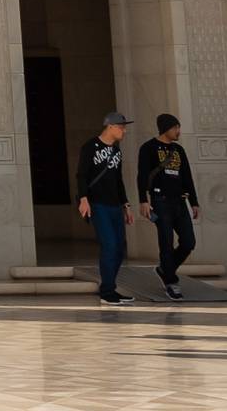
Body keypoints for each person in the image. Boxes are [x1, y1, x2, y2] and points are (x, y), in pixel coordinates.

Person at [137, 114, 201, 301]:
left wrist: (194, 202)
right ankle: (171, 282)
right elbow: (141, 176)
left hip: (180, 202)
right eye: (176, 128)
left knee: (189, 242)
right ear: (166, 128)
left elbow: (187, 177)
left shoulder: (178, 150)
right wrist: (143, 200)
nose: (178, 131)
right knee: (166, 242)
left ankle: (165, 269)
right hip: (160, 201)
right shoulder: (148, 148)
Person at [77, 113, 132, 304]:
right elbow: (81, 175)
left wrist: (126, 204)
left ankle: (110, 287)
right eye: (121, 127)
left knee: (118, 248)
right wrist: (83, 199)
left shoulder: (117, 152)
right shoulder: (90, 147)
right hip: (97, 204)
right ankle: (107, 292)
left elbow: (119, 180)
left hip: (115, 205)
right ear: (110, 127)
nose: (124, 130)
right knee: (109, 245)